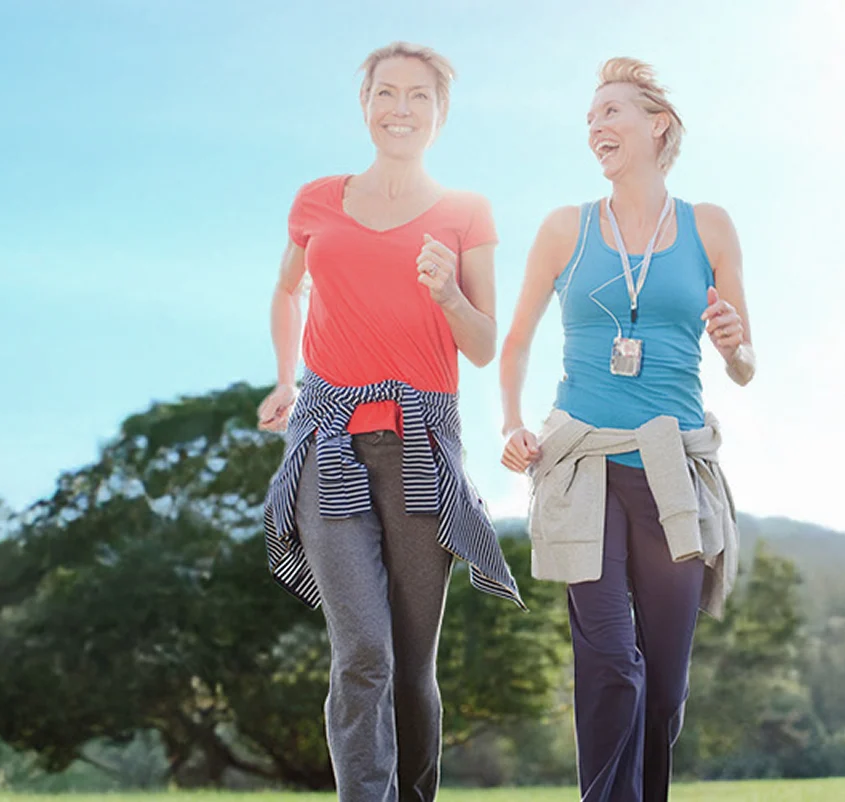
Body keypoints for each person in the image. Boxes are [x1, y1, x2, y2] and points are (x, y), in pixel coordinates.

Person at [258, 42, 522, 802]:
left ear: (441, 116)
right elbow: (287, 290)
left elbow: (480, 346)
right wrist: (285, 377)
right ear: (364, 103)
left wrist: (448, 294)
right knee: (363, 650)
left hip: (420, 445)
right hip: (328, 440)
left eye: (418, 98)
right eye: (385, 94)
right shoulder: (316, 200)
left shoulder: (467, 212)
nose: (399, 109)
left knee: (410, 663)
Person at [498, 57, 754, 801]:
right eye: (590, 118)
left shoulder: (708, 226)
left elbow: (744, 365)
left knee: (664, 686)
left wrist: (736, 344)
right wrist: (513, 423)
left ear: (657, 125)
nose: (596, 127)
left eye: (611, 112)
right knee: (612, 662)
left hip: (673, 466)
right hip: (581, 465)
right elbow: (514, 342)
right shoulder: (564, 228)